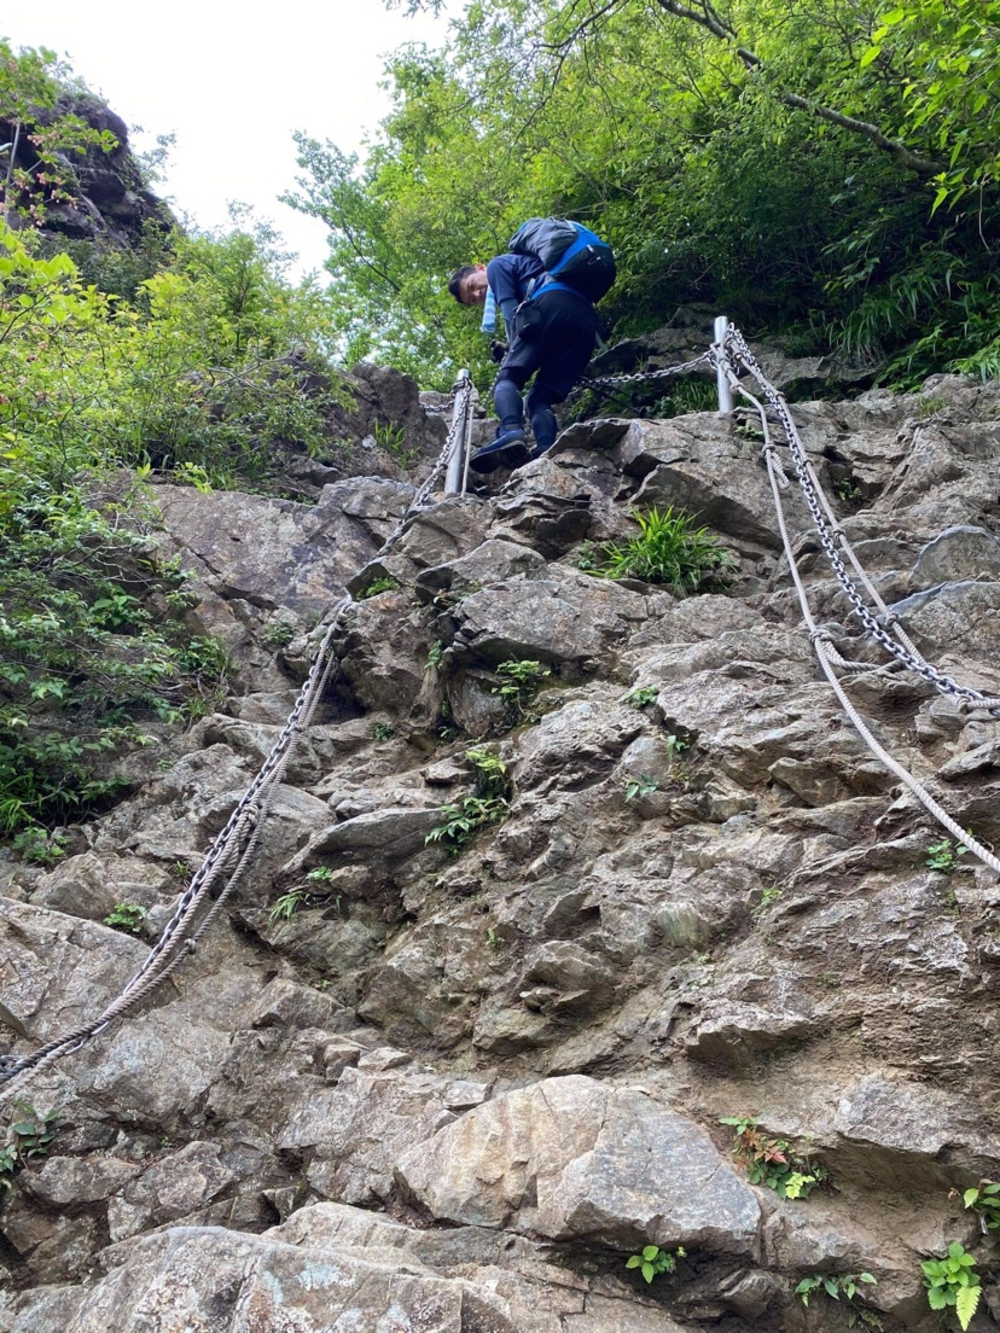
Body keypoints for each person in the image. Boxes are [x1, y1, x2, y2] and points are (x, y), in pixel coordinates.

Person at [448, 251, 597, 472]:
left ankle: (511, 431)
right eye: (473, 299)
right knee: (539, 397)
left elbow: (512, 315)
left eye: (472, 286)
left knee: (508, 378)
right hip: (585, 319)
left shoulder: (497, 266)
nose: (478, 293)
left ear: (480, 267)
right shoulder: (530, 266)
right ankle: (547, 451)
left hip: (549, 304)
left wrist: (511, 353)